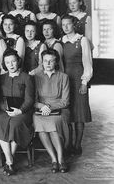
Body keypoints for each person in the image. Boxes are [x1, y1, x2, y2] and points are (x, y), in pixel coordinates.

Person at [0, 49, 34, 175]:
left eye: (13, 61)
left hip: (22, 111)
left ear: (18, 61)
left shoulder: (26, 77)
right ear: (4, 64)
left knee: (15, 124)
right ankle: (10, 160)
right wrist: (5, 108)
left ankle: (9, 160)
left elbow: (30, 99)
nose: (11, 65)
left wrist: (20, 111)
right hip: (5, 111)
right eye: (7, 62)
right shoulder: (1, 78)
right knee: (0, 121)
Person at [33, 48, 70, 173]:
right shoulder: (35, 77)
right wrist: (41, 106)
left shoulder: (63, 77)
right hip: (40, 109)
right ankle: (53, 159)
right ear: (42, 62)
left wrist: (50, 108)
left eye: (51, 61)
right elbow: (32, 100)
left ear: (56, 62)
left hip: (59, 109)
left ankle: (61, 159)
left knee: (53, 124)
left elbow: (65, 101)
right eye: (45, 61)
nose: (48, 64)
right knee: (39, 124)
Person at [61, 15, 93, 155]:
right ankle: (68, 144)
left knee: (79, 114)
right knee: (68, 113)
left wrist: (85, 82)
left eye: (68, 24)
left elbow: (87, 62)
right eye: (63, 25)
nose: (66, 27)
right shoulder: (61, 41)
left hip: (78, 79)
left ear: (74, 25)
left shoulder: (82, 40)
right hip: (65, 81)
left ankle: (77, 144)